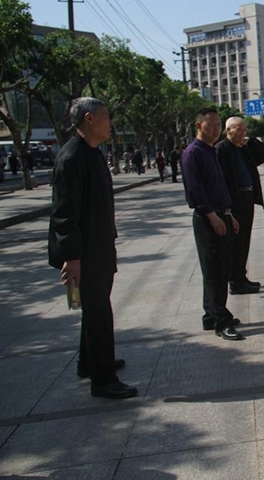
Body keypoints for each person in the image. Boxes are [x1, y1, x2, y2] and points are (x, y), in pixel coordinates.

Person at [48, 97, 136, 399]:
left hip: (99, 247)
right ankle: (103, 379)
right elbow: (64, 214)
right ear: (88, 119)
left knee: (95, 309)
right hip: (85, 254)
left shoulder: (93, 153)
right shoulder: (71, 158)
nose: (110, 122)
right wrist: (71, 257)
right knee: (99, 312)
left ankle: (90, 362)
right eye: (105, 116)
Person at [181, 107, 244, 340]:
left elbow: (218, 187)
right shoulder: (193, 153)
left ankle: (211, 314)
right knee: (214, 271)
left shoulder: (210, 151)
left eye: (219, 125)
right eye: (212, 124)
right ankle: (220, 320)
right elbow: (196, 192)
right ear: (199, 126)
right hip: (209, 219)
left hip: (221, 214)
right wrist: (213, 216)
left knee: (221, 267)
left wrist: (228, 213)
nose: (217, 128)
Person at [216, 117, 264, 295]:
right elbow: (219, 180)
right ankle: (235, 280)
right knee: (235, 242)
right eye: (240, 130)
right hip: (233, 201)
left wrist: (251, 141)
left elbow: (262, 155)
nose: (243, 133)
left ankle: (241, 276)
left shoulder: (243, 148)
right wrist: (226, 209)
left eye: (245, 130)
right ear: (229, 130)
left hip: (247, 197)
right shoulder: (221, 149)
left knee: (245, 239)